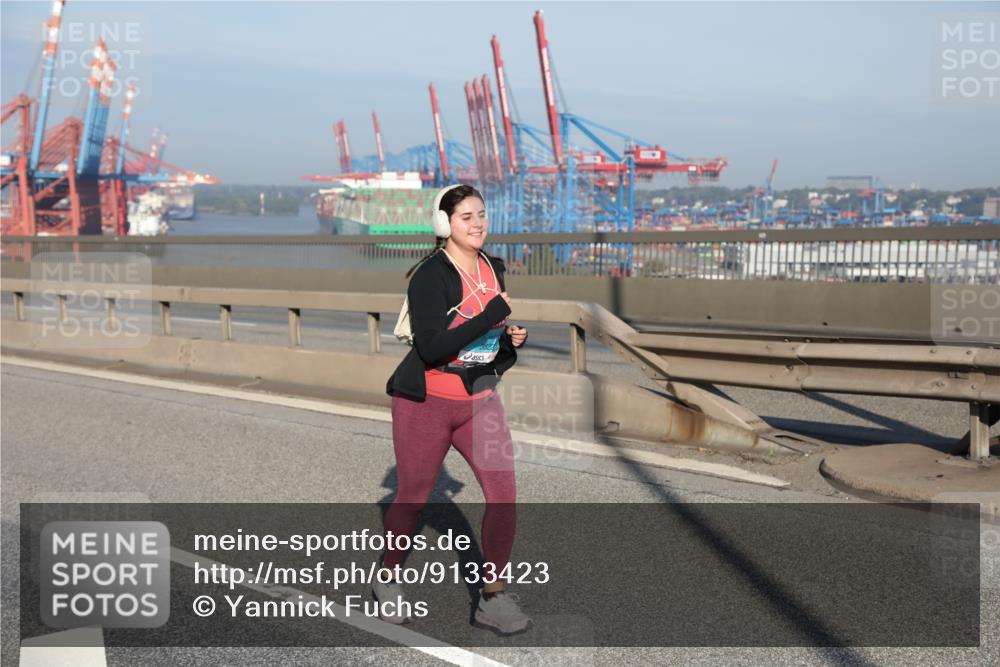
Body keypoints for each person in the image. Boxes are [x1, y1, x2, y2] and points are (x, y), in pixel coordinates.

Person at [380, 184, 531, 635]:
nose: (478, 223)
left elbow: (484, 342)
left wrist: (508, 340)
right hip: (426, 402)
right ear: (444, 224)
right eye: (466, 216)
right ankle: (387, 578)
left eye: (482, 214)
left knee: (503, 494)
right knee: (413, 498)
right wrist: (489, 317)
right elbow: (430, 347)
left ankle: (493, 598)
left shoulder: (493, 268)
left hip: (480, 398)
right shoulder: (431, 275)